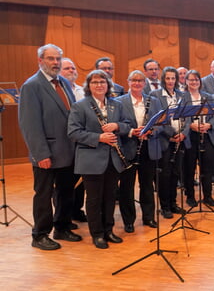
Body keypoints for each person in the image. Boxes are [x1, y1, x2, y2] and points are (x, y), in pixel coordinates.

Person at [18, 44, 81, 250]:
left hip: (68, 150)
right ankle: (40, 235)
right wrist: (40, 153)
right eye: (51, 59)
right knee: (44, 195)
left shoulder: (63, 82)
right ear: (40, 61)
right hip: (47, 153)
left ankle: (62, 227)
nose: (55, 63)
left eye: (57, 59)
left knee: (65, 191)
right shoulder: (32, 86)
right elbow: (30, 124)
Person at [67, 70, 131, 248]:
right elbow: (73, 132)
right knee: (94, 199)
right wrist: (98, 138)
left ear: (108, 85)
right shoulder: (80, 106)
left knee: (110, 197)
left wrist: (117, 125)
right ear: (89, 86)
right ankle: (97, 234)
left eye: (102, 82)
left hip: (113, 159)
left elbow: (128, 125)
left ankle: (108, 230)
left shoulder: (116, 105)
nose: (99, 85)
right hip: (91, 159)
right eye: (95, 82)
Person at [116, 70, 162, 232]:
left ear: (144, 83)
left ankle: (148, 217)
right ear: (128, 82)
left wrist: (152, 131)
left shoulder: (154, 101)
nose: (137, 83)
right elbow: (117, 124)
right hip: (128, 148)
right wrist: (131, 131)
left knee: (147, 185)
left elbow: (162, 123)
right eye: (134, 80)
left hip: (148, 147)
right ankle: (129, 220)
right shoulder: (119, 101)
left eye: (140, 81)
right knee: (127, 186)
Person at [149, 66, 190, 219]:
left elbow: (189, 117)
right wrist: (172, 134)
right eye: (168, 78)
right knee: (164, 175)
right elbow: (157, 119)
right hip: (164, 140)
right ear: (163, 79)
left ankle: (173, 203)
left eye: (173, 78)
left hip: (179, 141)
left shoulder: (182, 95)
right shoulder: (155, 95)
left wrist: (183, 134)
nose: (171, 81)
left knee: (175, 173)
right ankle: (164, 206)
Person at [182, 70, 214, 207]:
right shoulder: (183, 97)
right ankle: (190, 196)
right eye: (191, 80)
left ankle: (207, 196)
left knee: (207, 167)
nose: (194, 82)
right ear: (186, 82)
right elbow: (180, 117)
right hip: (191, 136)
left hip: (206, 135)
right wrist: (191, 125)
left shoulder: (208, 96)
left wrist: (209, 125)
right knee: (189, 167)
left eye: (196, 80)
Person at [60, 58, 87, 223]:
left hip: (84, 143)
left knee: (81, 181)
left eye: (73, 68)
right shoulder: (60, 90)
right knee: (66, 182)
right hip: (66, 143)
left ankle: (77, 210)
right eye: (67, 68)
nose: (71, 70)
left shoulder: (83, 91)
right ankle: (65, 216)